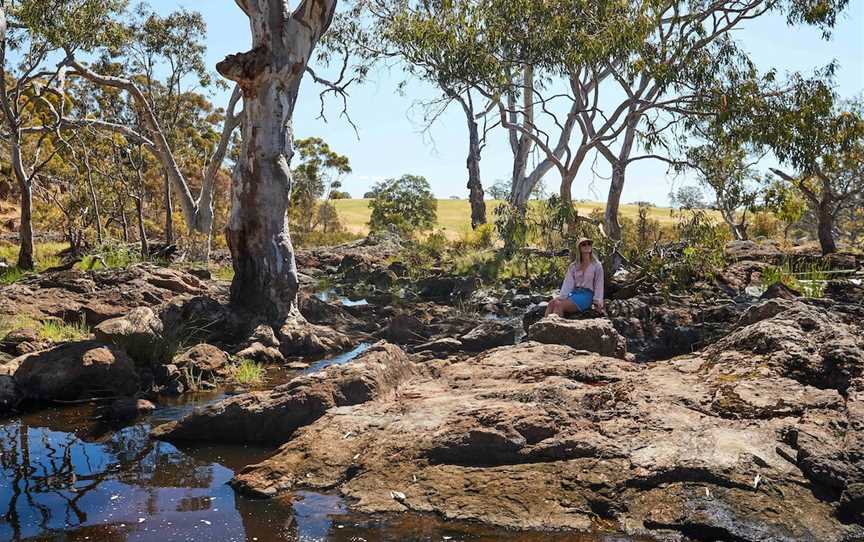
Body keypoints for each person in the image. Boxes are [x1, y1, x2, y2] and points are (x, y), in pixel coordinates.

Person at [545, 237, 605, 317]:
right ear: (579, 248)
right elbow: (568, 283)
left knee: (559, 305)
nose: (587, 246)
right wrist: (562, 297)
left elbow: (599, 284)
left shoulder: (597, 265)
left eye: (589, 244)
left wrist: (597, 302)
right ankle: (545, 326)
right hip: (574, 293)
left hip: (587, 295)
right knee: (552, 303)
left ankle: (555, 328)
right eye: (583, 244)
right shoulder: (574, 266)